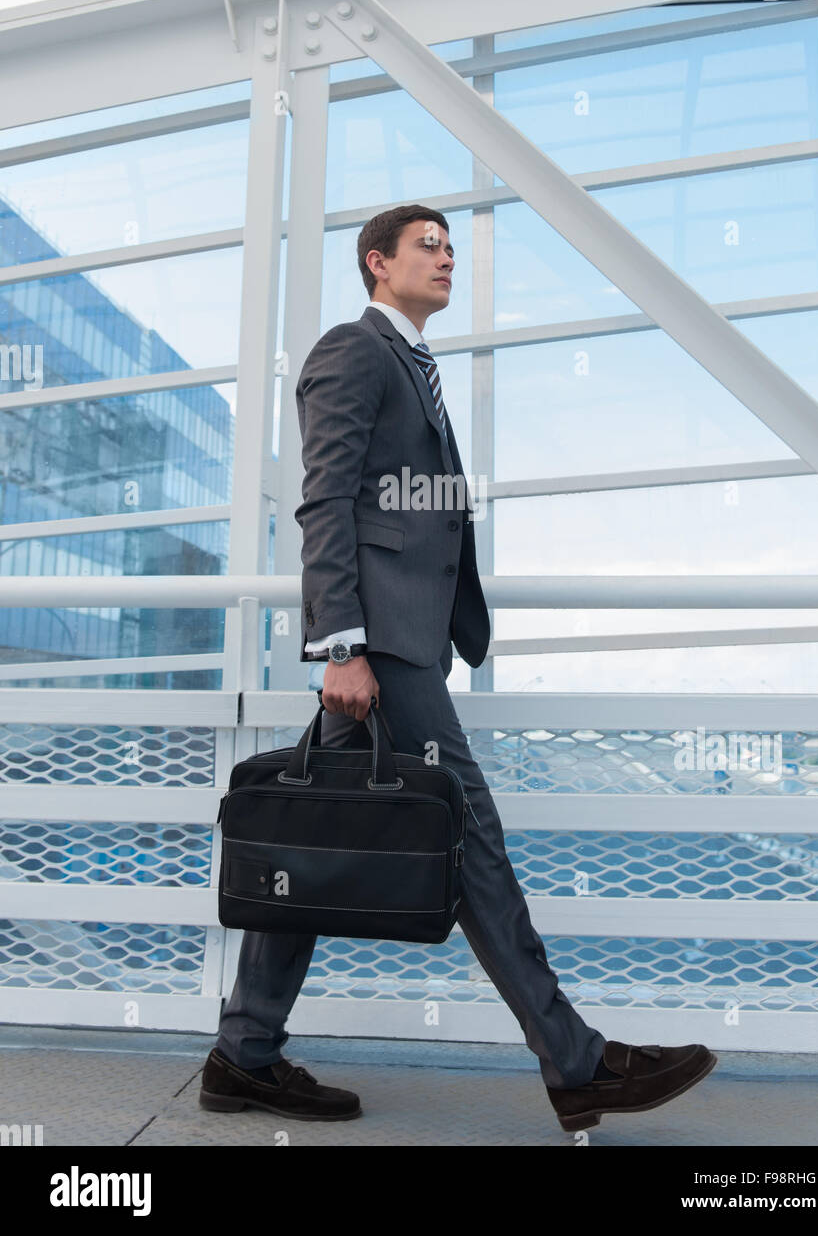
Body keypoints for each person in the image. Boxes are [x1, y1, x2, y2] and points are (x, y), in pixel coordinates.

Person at [200, 203, 717, 1134]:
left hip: (403, 646)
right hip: (383, 652)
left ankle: (245, 1053)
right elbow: (324, 503)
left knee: (314, 833)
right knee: (472, 838)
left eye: (449, 246)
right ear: (376, 263)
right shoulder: (353, 352)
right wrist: (343, 645)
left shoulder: (414, 364)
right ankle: (577, 1062)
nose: (445, 258)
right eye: (425, 246)